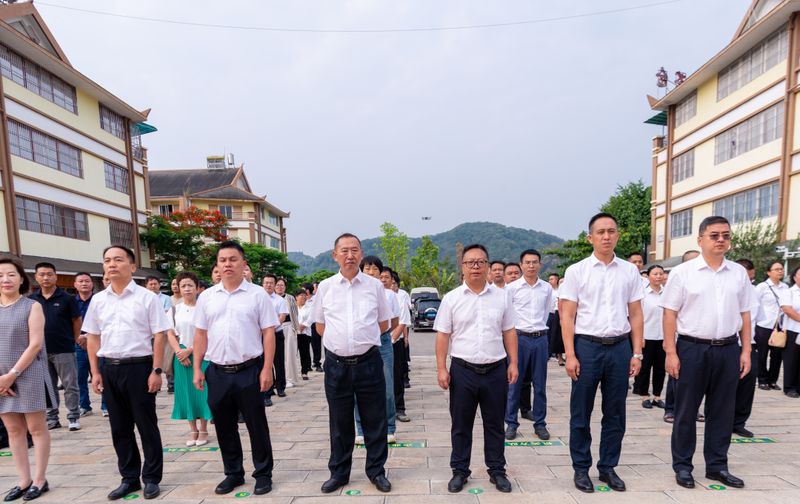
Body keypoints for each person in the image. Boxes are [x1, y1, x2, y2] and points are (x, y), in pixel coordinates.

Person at [662, 216, 752, 490]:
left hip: (727, 349)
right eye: (714, 235)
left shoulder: (737, 273)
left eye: (725, 235)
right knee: (686, 411)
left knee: (722, 412)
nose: (721, 240)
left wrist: (746, 350)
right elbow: (669, 314)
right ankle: (683, 467)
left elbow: (745, 315)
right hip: (691, 348)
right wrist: (670, 352)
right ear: (700, 240)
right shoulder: (683, 272)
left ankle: (717, 466)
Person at [559, 212, 644, 493]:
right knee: (581, 412)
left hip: (620, 348)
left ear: (617, 235)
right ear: (590, 238)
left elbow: (636, 314)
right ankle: (581, 468)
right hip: (587, 348)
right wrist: (570, 354)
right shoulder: (576, 271)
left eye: (611, 231)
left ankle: (608, 467)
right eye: (600, 232)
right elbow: (567, 317)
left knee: (615, 413)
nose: (606, 236)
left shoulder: (629, 271)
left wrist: (637, 352)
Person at [83, 245, 172, 500]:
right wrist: (95, 372)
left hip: (140, 368)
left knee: (146, 426)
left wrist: (156, 370)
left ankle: (152, 478)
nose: (112, 264)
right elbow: (93, 337)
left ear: (132, 266)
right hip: (110, 368)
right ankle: (129, 478)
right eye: (107, 260)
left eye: (118, 260)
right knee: (119, 428)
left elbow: (159, 335)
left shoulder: (147, 298)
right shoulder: (98, 300)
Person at [193, 241, 278, 496]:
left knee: (256, 424)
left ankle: (263, 473)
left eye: (233, 259)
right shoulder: (207, 296)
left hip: (249, 370)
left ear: (244, 264)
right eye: (223, 260)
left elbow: (269, 333)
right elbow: (200, 335)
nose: (227, 264)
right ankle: (233, 473)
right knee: (223, 425)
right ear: (217, 265)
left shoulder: (257, 295)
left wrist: (267, 369)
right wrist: (198, 368)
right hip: (217, 371)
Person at [312, 234, 393, 494]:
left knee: (375, 419)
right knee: (339, 421)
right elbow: (320, 325)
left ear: (361, 254)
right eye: (344, 250)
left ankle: (376, 471)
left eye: (355, 250)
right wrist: (342, 344)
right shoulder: (325, 287)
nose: (350, 255)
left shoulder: (374, 286)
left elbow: (383, 323)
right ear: (334, 255)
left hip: (369, 362)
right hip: (336, 365)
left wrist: (360, 341)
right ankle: (339, 472)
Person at [434, 244, 518, 493]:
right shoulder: (451, 299)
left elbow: (509, 331)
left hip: (495, 370)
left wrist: (513, 362)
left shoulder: (503, 297)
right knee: (461, 425)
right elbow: (443, 336)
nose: (476, 267)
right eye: (470, 262)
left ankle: (497, 470)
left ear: (488, 266)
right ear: (462, 267)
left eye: (481, 262)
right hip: (463, 371)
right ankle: (460, 471)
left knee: (494, 424)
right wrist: (441, 368)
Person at [0, 257, 54, 501]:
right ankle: (24, 480)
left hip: (28, 374)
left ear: (21, 278)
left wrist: (12, 375)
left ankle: (40, 479)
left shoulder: (31, 306)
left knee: (36, 428)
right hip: (1, 379)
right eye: (0, 275)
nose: (5, 279)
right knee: (13, 429)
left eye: (11, 274)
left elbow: (35, 345)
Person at [504, 249, 554, 441]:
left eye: (535, 262)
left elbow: (547, 313)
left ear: (540, 264)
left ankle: (540, 424)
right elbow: (507, 316)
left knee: (540, 384)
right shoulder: (512, 288)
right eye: (527, 262)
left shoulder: (546, 288)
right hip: (519, 339)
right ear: (521, 265)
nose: (531, 266)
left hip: (540, 338)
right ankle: (511, 424)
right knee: (514, 384)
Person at [29, 262, 82, 431]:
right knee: (47, 386)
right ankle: (52, 418)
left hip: (64, 349)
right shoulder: (31, 300)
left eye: (49, 274)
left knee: (70, 385)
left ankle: (73, 416)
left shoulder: (67, 298)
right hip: (39, 351)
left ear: (55, 276)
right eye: (42, 274)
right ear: (36, 277)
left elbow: (76, 320)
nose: (46, 277)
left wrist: (73, 340)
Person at [354, 257, 399, 444]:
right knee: (358, 387)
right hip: (361, 343)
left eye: (374, 269)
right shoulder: (354, 292)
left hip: (382, 341)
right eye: (367, 268)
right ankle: (361, 429)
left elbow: (395, 321)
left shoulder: (389, 295)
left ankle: (389, 428)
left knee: (387, 386)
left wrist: (381, 333)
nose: (370, 272)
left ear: (381, 273)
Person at [166, 272, 212, 447]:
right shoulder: (174, 309)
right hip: (181, 356)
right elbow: (170, 333)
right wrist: (179, 351)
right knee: (185, 392)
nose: (186, 289)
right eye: (183, 285)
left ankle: (204, 428)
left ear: (197, 288)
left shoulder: (204, 308)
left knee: (202, 391)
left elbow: (206, 333)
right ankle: (192, 429)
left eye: (190, 285)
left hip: (201, 354)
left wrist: (192, 350)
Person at [663, 249, 700, 424]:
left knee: (699, 382)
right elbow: (669, 313)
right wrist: (669, 345)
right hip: (683, 339)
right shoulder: (679, 277)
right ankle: (671, 408)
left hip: (703, 338)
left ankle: (694, 409)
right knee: (677, 377)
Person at [730, 259, 762, 438]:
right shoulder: (729, 289)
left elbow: (758, 318)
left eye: (750, 277)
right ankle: (722, 421)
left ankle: (739, 422)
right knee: (726, 386)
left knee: (748, 384)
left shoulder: (755, 292)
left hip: (750, 345)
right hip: (729, 343)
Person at [633, 265, 666, 409]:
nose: (658, 276)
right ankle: (644, 395)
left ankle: (657, 396)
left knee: (660, 368)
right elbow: (637, 317)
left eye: (661, 273)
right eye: (655, 274)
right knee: (645, 368)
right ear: (648, 276)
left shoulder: (668, 293)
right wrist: (639, 337)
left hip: (663, 337)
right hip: (647, 336)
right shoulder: (643, 294)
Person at [755, 261, 791, 392]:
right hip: (764, 325)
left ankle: (772, 380)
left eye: (781, 269)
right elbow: (755, 306)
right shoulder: (761, 287)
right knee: (762, 354)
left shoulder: (786, 287)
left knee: (777, 355)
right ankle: (762, 380)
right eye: (776, 269)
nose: (780, 271)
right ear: (768, 272)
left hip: (780, 326)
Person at [382, 268, 410, 423]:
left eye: (387, 277)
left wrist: (389, 339)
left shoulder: (399, 297)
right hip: (376, 344)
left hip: (394, 342)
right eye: (381, 277)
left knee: (396, 377)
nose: (383, 280)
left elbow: (402, 321)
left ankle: (399, 409)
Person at [146, 276, 174, 394]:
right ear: (146, 286)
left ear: (159, 284)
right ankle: (151, 383)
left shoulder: (166, 298)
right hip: (148, 335)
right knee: (150, 360)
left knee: (166, 358)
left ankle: (171, 384)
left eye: (155, 283)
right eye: (150, 284)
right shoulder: (144, 298)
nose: (153, 286)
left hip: (162, 334)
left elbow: (166, 313)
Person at [262, 274, 288, 404]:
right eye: (266, 282)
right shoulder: (258, 299)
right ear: (262, 284)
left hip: (276, 333)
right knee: (265, 363)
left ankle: (281, 387)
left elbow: (282, 317)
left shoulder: (280, 300)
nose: (268, 285)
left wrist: (269, 329)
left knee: (278, 361)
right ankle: (267, 392)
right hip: (260, 335)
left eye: (271, 283)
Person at [73, 272, 94, 417]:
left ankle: (106, 405)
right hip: (77, 343)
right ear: (75, 285)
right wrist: (78, 337)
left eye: (87, 281)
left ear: (92, 284)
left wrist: (87, 336)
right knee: (80, 376)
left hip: (97, 342)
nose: (84, 283)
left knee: (100, 374)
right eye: (80, 281)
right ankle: (84, 405)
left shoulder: (99, 300)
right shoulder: (71, 302)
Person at [275, 278, 299, 389]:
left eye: (282, 285)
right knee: (277, 356)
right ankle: (278, 379)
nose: (280, 287)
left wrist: (295, 328)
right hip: (275, 327)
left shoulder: (290, 298)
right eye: (278, 285)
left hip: (289, 326)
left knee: (289, 353)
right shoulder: (270, 298)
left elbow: (295, 314)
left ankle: (290, 379)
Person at [781, 266, 800, 398]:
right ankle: (790, 387)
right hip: (793, 330)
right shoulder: (789, 292)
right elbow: (787, 309)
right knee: (792, 360)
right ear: (794, 277)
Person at [296, 289, 313, 380]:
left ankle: (304, 372)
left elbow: (311, 318)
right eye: (301, 295)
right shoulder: (293, 307)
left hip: (305, 333)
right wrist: (296, 326)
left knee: (304, 353)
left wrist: (303, 325)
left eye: (304, 295)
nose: (303, 297)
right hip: (294, 333)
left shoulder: (309, 307)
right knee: (292, 353)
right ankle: (292, 372)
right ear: (296, 297)